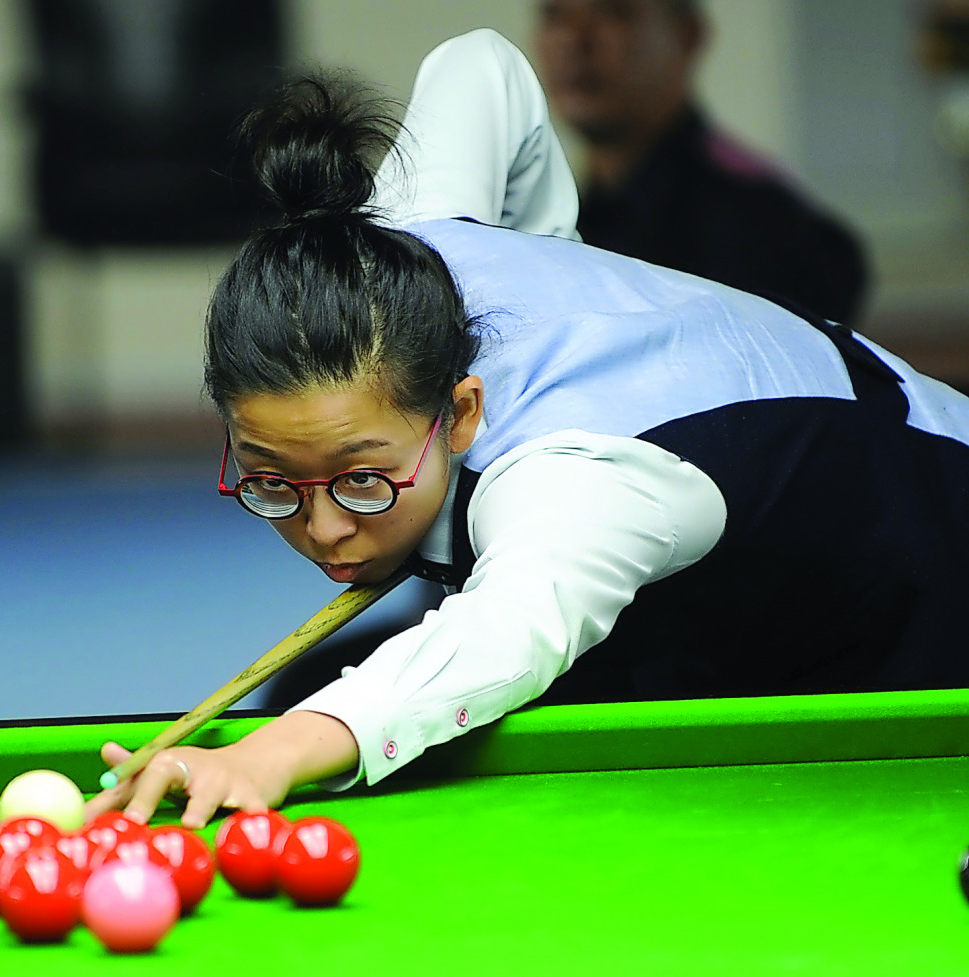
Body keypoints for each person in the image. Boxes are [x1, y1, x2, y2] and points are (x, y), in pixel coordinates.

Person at [85, 30, 969, 829]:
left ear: (463, 411)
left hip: (926, 540)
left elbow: (505, 630)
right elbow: (478, 66)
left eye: (363, 478)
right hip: (731, 568)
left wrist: (270, 750)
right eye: (273, 481)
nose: (322, 531)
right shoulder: (392, 250)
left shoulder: (578, 479)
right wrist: (553, 252)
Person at [533, 0, 870, 325]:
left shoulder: (765, 228)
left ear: (688, 34)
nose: (574, 39)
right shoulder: (550, 225)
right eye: (555, 14)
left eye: (614, 11)